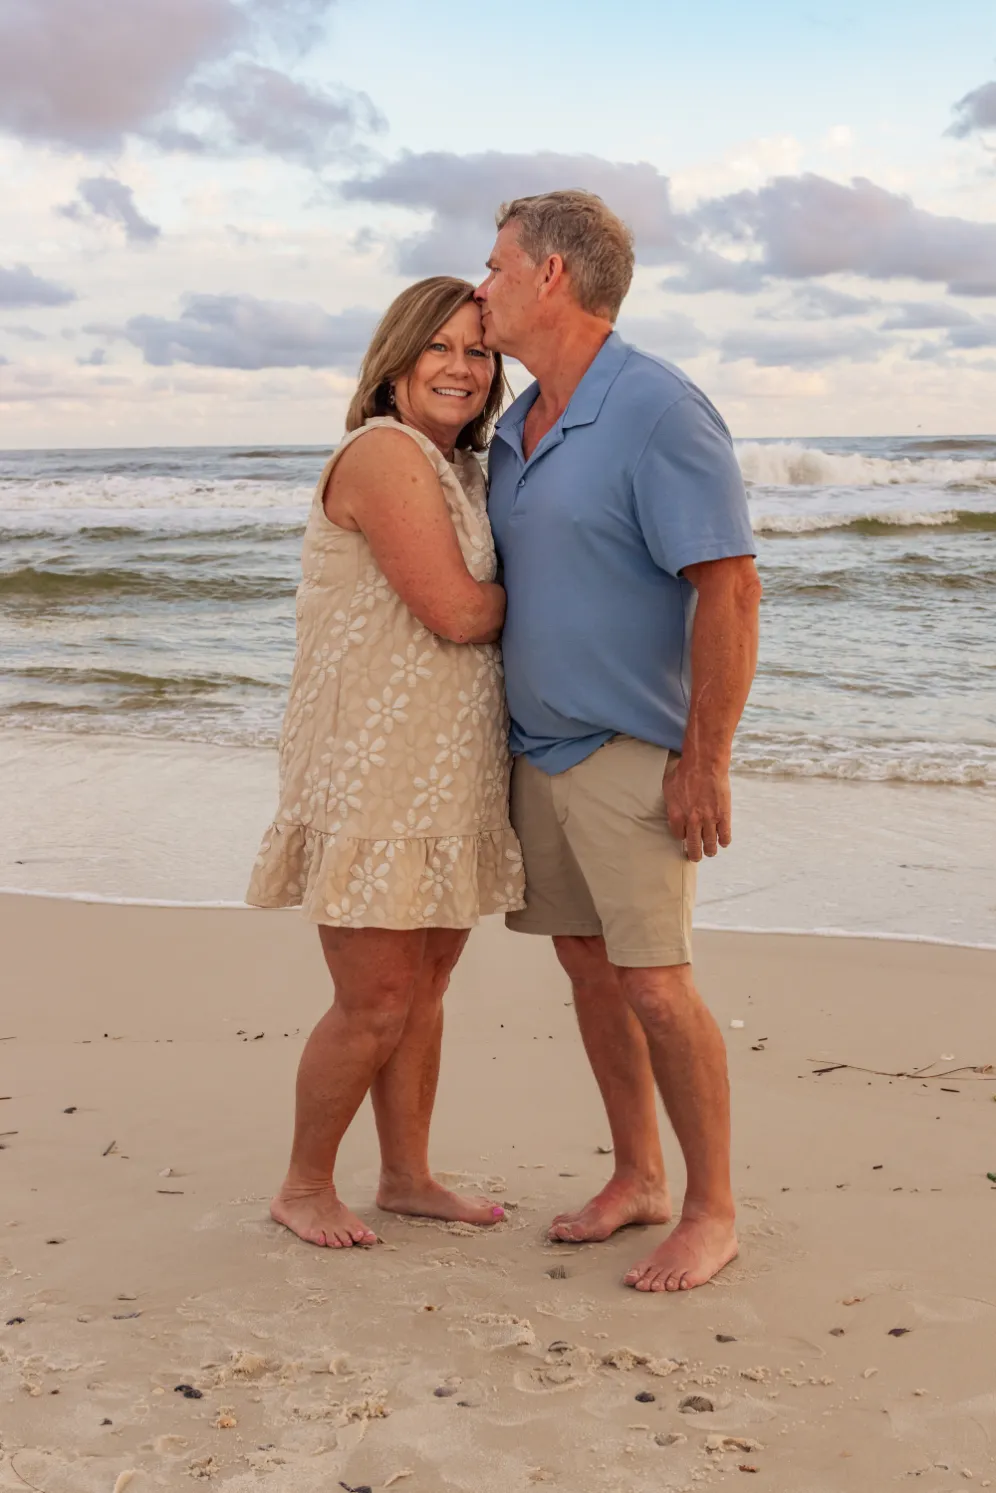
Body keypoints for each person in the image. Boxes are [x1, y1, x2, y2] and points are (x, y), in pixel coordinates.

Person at [477, 191, 762, 1293]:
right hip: (538, 748)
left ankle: (712, 1207)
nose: (480, 286)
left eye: (496, 266)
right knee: (589, 968)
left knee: (655, 983)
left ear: (551, 275)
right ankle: (638, 1174)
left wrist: (707, 757)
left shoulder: (657, 407)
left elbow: (730, 588)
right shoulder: (516, 422)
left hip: (633, 748)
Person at [246, 277, 525, 1249]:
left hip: (450, 763)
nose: (461, 366)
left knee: (427, 988)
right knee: (374, 999)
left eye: (479, 351)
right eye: (439, 347)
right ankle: (303, 1183)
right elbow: (454, 610)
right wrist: (551, 607)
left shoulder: (465, 466)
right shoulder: (384, 453)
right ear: (396, 362)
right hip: (372, 765)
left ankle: (406, 1174)